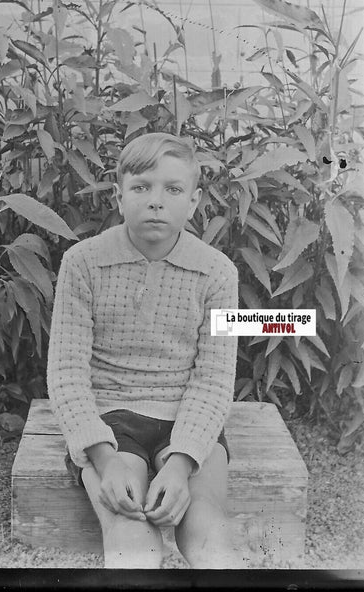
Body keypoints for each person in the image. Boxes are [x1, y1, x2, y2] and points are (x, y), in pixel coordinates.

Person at [47, 132, 239, 568]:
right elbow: (66, 373)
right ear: (118, 197)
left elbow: (213, 379)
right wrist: (104, 457)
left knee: (207, 526)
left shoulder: (217, 273)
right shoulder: (82, 263)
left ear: (193, 202)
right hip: (111, 419)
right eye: (141, 187)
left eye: (172, 189)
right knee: (130, 528)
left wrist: (182, 461)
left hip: (189, 418)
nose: (156, 201)